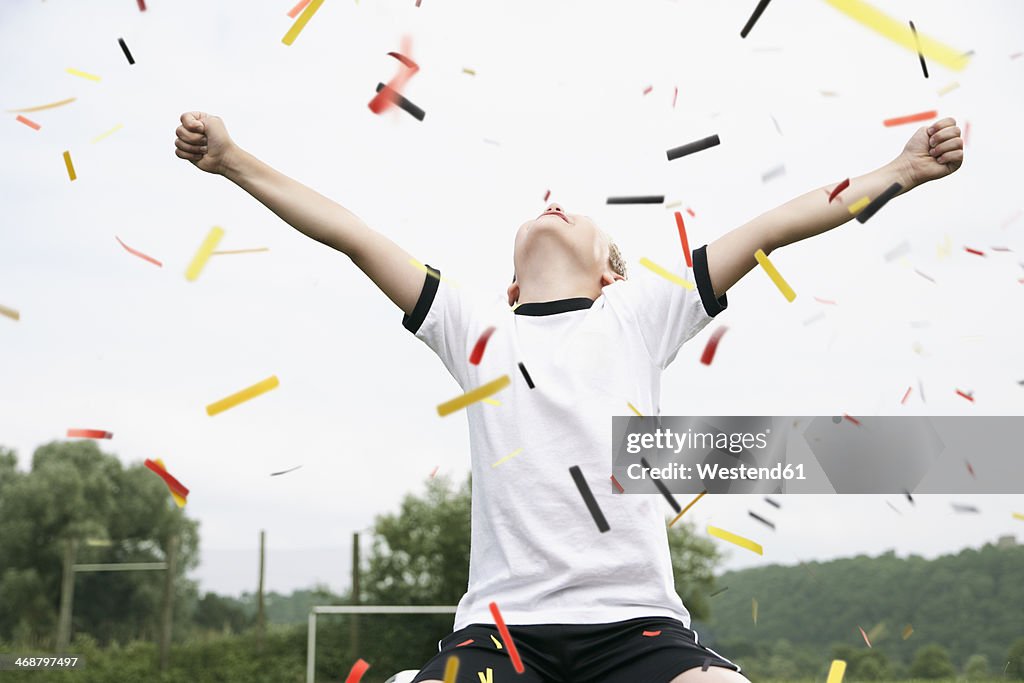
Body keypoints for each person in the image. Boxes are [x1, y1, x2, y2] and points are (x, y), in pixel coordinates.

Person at [174, 111, 963, 682]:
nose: (555, 202)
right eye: (544, 207)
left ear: (608, 272)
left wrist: (897, 171)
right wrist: (234, 159)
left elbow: (771, 228)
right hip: (500, 633)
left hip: (636, 630)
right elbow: (351, 232)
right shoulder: (475, 324)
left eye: (573, 212)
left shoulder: (638, 313)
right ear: (511, 285)